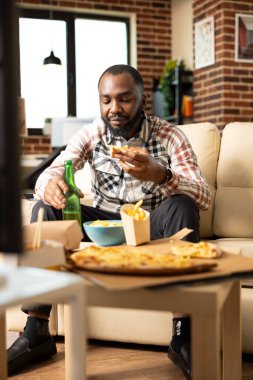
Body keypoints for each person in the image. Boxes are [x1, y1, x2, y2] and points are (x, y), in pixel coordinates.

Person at [8, 64, 211, 379]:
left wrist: (162, 174)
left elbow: (204, 197)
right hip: (105, 226)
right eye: (106, 100)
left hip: (152, 224)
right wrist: (50, 184)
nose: (114, 109)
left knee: (183, 205)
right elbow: (55, 170)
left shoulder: (170, 135)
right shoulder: (92, 133)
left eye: (125, 99)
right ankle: (36, 331)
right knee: (44, 208)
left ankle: (183, 333)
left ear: (142, 99)